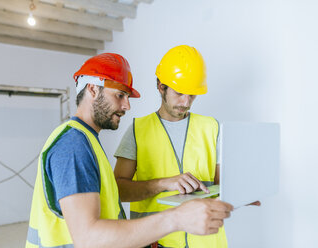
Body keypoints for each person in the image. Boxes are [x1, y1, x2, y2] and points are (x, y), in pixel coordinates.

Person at [26, 52, 233, 248]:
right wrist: (177, 218)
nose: (127, 106)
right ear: (92, 89)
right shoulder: (73, 145)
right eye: (120, 95)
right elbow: (88, 237)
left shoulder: (86, 140)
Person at [114, 45, 227, 248]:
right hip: (155, 242)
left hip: (206, 242)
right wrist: (164, 183)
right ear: (161, 86)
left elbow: (222, 187)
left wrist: (242, 194)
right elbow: (118, 190)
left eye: (192, 95)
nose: (186, 102)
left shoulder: (212, 127)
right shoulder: (138, 130)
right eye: (180, 93)